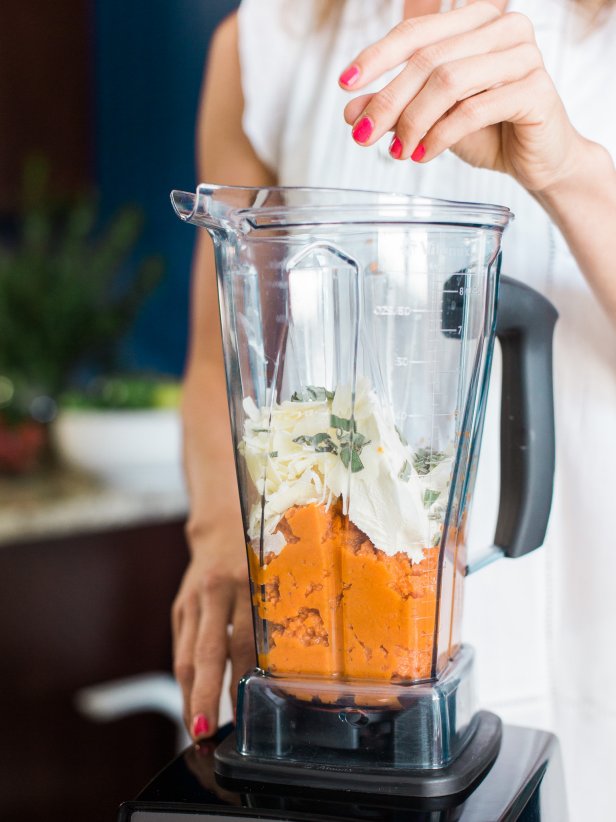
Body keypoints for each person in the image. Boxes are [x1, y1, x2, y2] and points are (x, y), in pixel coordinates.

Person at [172, 0, 616, 817]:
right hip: (321, 667)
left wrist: (567, 167)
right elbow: (216, 364)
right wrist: (223, 543)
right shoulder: (263, 47)